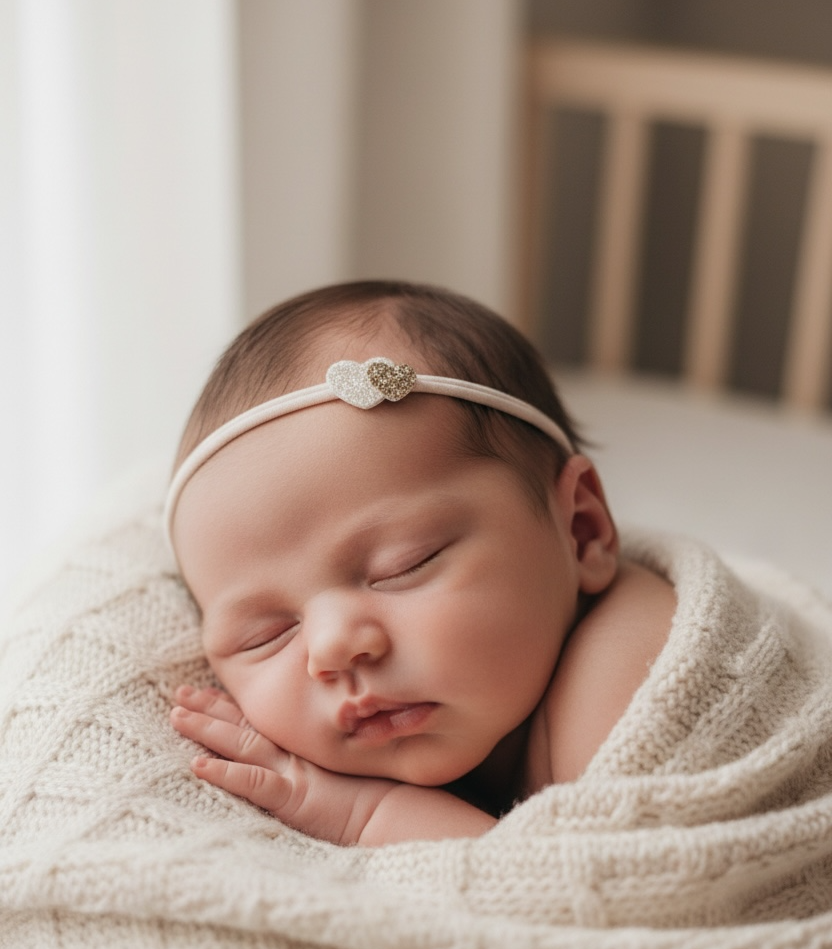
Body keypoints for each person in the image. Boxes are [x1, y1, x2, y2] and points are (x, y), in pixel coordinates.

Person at [167, 280, 676, 845]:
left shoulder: (632, 678)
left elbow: (592, 897)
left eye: (404, 566)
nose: (333, 646)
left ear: (581, 531)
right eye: (265, 634)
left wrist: (362, 814)